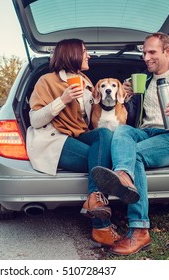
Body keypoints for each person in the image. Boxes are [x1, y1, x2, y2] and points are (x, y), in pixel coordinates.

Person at [91, 32, 169, 255]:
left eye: (152, 52)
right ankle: (124, 175)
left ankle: (139, 230)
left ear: (167, 51)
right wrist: (127, 99)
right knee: (122, 131)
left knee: (136, 155)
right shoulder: (144, 79)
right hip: (146, 132)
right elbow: (132, 116)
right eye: (144, 53)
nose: (146, 57)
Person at [26, 38, 137, 247]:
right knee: (102, 161)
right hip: (55, 138)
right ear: (72, 54)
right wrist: (63, 99)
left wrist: (124, 97)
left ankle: (94, 199)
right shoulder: (46, 81)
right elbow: (35, 120)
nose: (89, 55)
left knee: (104, 135)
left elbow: (96, 115)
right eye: (85, 52)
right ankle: (101, 226)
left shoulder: (86, 82)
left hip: (79, 135)